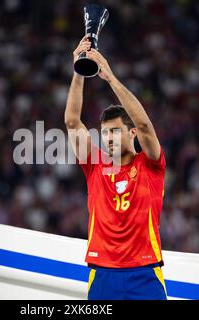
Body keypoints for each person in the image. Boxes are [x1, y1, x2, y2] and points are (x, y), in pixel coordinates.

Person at [64, 37, 167, 300]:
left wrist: (109, 77)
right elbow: (73, 123)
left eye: (115, 132)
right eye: (105, 133)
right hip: (102, 272)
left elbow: (145, 125)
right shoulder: (95, 165)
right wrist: (79, 70)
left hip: (145, 271)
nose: (108, 138)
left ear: (131, 133)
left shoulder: (151, 165)